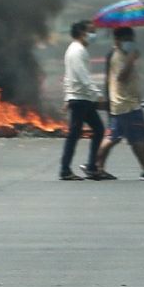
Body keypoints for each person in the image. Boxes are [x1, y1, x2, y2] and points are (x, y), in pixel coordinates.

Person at [94, 26, 144, 180]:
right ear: (118, 40)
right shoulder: (119, 56)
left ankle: (98, 167)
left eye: (132, 39)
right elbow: (122, 76)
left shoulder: (122, 54)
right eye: (127, 40)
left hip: (124, 104)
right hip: (126, 105)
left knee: (117, 137)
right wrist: (131, 58)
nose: (131, 42)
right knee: (136, 137)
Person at [58, 21, 106, 181]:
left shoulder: (77, 50)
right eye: (91, 31)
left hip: (82, 98)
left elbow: (68, 77)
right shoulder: (77, 51)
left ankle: (91, 166)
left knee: (98, 130)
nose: (93, 35)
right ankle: (65, 170)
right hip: (80, 99)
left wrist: (67, 96)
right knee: (74, 134)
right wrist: (97, 93)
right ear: (81, 33)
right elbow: (82, 76)